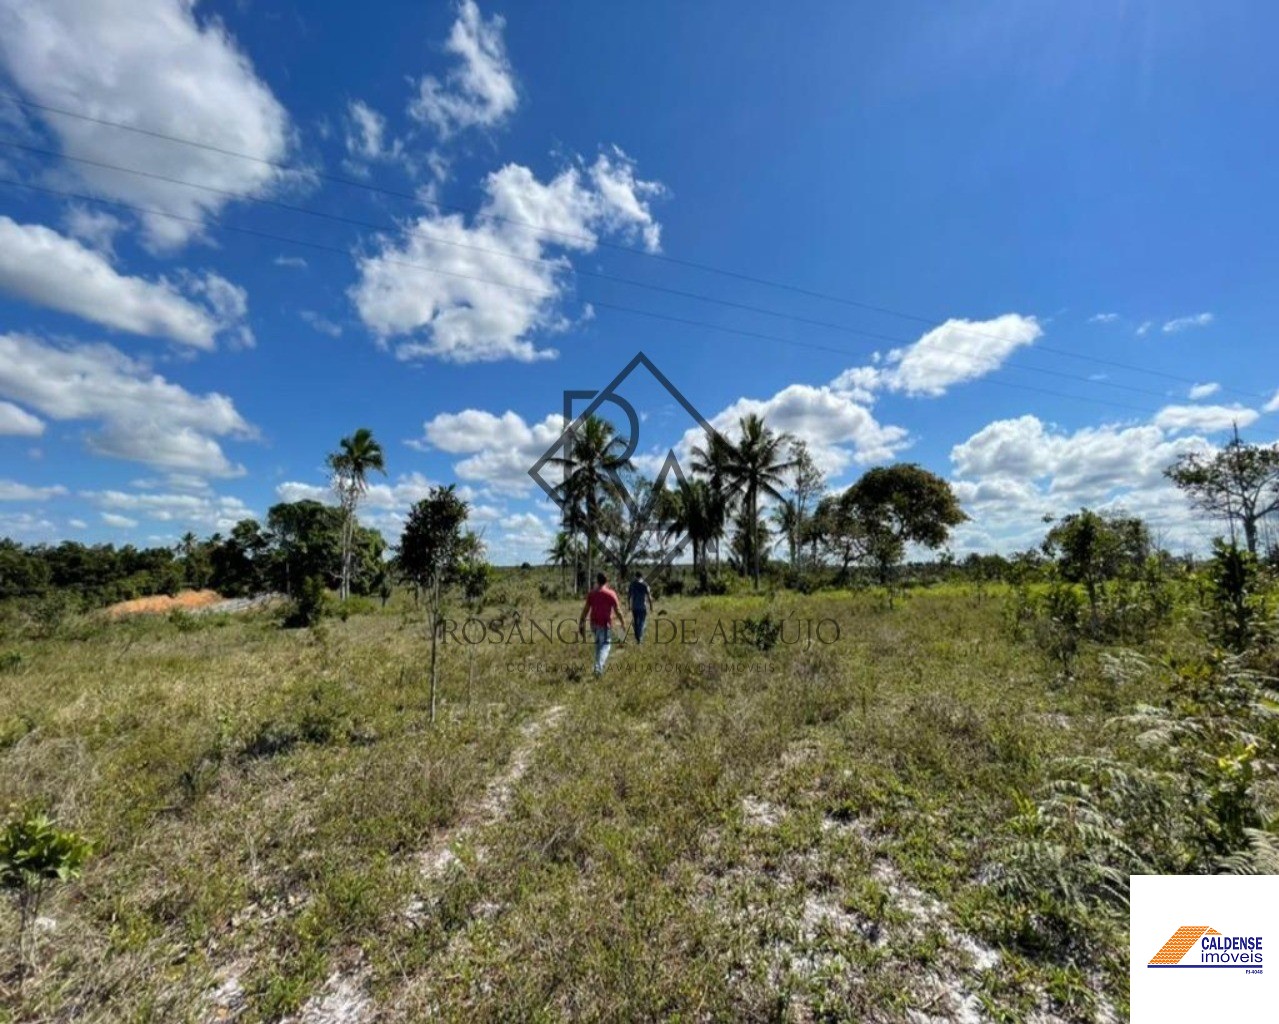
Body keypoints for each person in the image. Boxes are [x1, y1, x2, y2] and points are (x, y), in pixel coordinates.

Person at [579, 571, 625, 677]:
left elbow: (585, 610)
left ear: (597, 581)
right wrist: (623, 622)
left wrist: (581, 623)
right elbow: (618, 610)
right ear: (606, 581)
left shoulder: (592, 593)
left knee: (598, 646)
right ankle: (598, 669)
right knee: (605, 646)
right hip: (605, 624)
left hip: (594, 624)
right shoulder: (611, 593)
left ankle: (597, 666)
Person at [628, 571, 653, 643]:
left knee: (636, 623)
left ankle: (637, 637)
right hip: (642, 607)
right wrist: (651, 606)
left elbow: (629, 596)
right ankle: (639, 638)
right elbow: (649, 597)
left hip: (634, 607)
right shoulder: (645, 585)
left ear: (635, 576)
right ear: (642, 576)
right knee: (641, 622)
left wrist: (629, 605)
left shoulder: (632, 584)